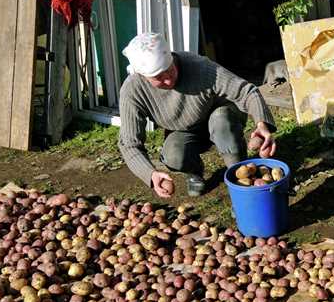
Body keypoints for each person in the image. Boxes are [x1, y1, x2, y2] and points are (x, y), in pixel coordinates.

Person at [118, 32, 277, 197]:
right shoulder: (133, 91)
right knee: (173, 155)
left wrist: (261, 125)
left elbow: (246, 91)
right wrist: (150, 174)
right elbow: (129, 143)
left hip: (221, 116)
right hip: (184, 129)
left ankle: (241, 181)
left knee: (221, 121)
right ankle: (195, 172)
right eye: (158, 77)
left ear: (172, 58)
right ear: (142, 76)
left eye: (169, 70)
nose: (168, 80)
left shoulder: (198, 67)